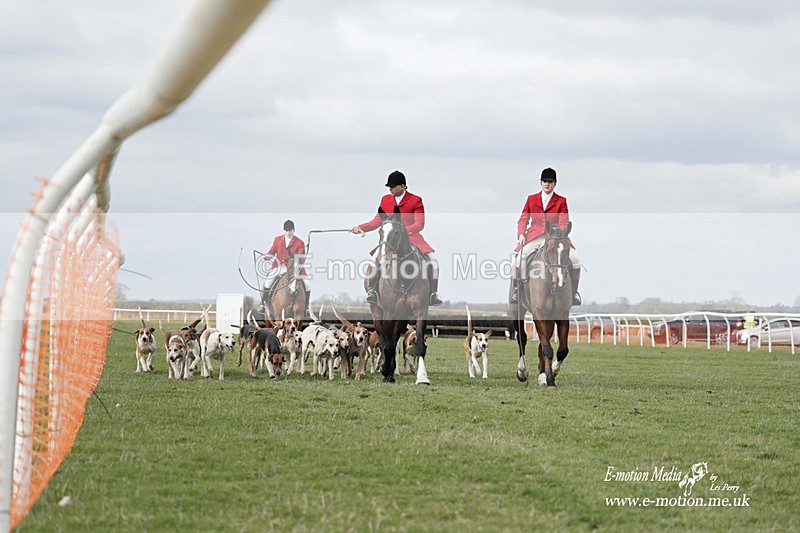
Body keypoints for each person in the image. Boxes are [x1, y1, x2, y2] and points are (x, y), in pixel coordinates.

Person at [350, 170, 443, 306]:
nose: (390, 189)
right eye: (389, 186)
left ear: (403, 186)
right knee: (374, 259)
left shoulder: (416, 200)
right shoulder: (385, 200)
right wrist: (361, 227)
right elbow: (377, 221)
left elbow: (419, 224)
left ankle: (433, 293)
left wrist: (404, 231)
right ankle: (372, 291)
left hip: (411, 238)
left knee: (433, 260)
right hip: (390, 240)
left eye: (393, 186)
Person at [511, 167, 581, 305]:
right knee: (519, 259)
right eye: (545, 181)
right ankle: (517, 291)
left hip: (555, 238)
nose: (547, 184)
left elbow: (563, 220)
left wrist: (560, 233)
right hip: (535, 237)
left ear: (555, 184)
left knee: (575, 259)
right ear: (541, 183)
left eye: (550, 182)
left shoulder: (561, 201)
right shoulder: (531, 199)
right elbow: (523, 219)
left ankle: (573, 293)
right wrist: (521, 234)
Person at [264, 219, 310, 297]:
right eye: (286, 231)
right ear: (284, 230)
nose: (288, 233)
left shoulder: (300, 242)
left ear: (293, 230)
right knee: (268, 282)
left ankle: (306, 304)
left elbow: (300, 258)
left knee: (307, 284)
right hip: (279, 267)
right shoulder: (277, 239)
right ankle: (264, 302)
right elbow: (272, 251)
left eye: (290, 231)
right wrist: (268, 256)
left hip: (293, 269)